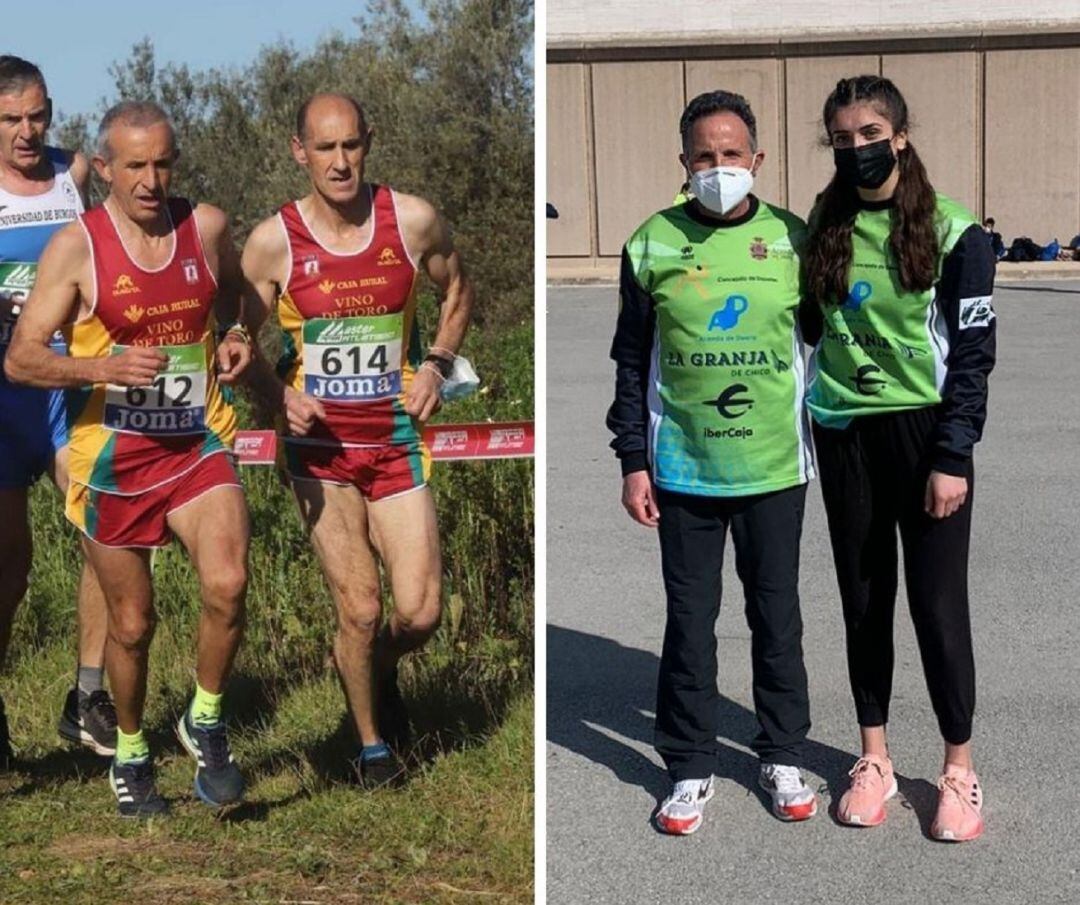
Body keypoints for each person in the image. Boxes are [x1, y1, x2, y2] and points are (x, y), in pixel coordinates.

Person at [5, 100, 253, 817]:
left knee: (229, 580)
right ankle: (133, 749)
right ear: (105, 168)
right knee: (133, 623)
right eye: (135, 165)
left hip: (196, 441)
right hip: (112, 457)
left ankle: (206, 718)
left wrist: (237, 333)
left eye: (162, 163)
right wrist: (101, 367)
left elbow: (242, 293)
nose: (151, 180)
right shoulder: (76, 247)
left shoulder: (205, 228)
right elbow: (21, 358)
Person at [241, 92, 474, 787]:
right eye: (325, 148)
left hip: (395, 438)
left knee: (421, 613)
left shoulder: (412, 220)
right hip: (321, 452)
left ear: (368, 141)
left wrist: (435, 364)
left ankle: (371, 666)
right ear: (300, 152)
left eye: (350, 146)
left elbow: (458, 290)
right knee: (362, 607)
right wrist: (277, 397)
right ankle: (373, 748)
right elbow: (235, 341)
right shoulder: (274, 241)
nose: (340, 163)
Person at [607, 89, 818, 835]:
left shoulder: (793, 238)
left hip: (774, 467)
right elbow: (631, 362)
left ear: (757, 160)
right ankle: (689, 765)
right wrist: (633, 460)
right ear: (684, 162)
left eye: (731, 154)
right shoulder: (651, 242)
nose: (718, 167)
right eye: (705, 156)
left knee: (776, 615)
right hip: (684, 470)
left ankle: (782, 753)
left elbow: (825, 343)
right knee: (690, 622)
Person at [802, 75, 996, 842]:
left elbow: (974, 356)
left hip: (926, 438)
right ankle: (874, 757)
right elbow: (808, 327)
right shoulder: (825, 221)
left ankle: (958, 769)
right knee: (863, 599)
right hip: (844, 431)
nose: (857, 149)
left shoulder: (955, 232)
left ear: (901, 136)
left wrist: (953, 452)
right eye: (843, 138)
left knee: (938, 606)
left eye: (871, 134)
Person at [0, 55, 115, 767]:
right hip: (1, 399)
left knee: (105, 529)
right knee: (9, 570)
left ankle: (88, 694)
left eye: (37, 115)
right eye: (11, 119)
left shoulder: (73, 173)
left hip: (66, 388)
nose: (27, 131)